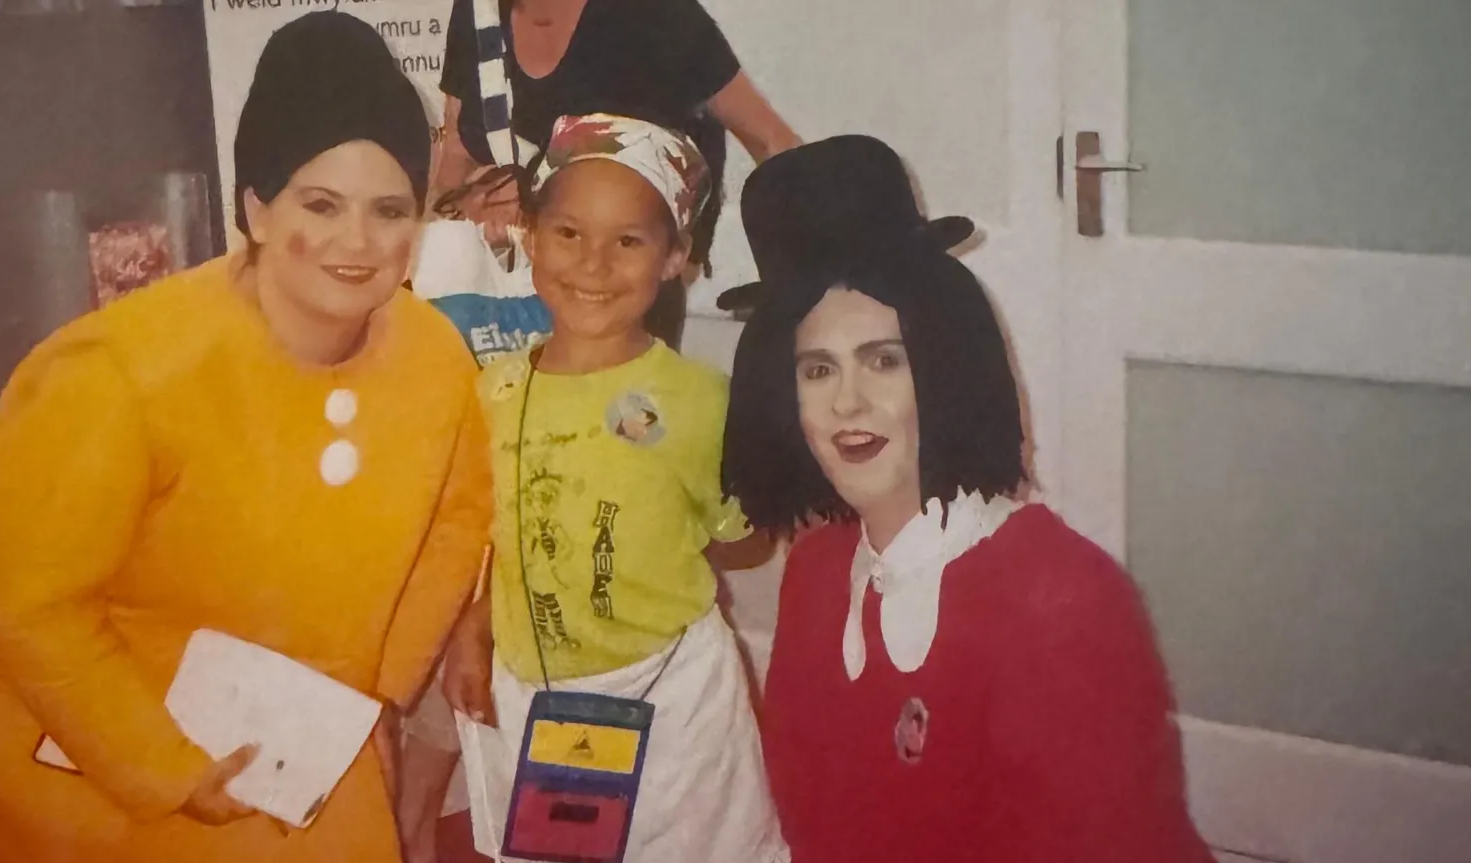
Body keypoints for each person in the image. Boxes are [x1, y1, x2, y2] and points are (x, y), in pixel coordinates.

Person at [0, 13, 492, 863]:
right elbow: (28, 607)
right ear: (256, 210)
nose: (358, 241)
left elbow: (457, 519)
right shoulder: (120, 375)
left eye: (389, 210)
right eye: (321, 203)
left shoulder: (434, 356)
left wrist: (375, 696)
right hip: (56, 734)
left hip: (276, 728)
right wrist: (161, 767)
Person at [720, 136, 1216, 863]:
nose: (848, 402)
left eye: (885, 360)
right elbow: (809, 824)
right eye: (817, 369)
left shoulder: (1062, 601)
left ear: (947, 363)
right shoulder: (818, 571)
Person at [439, 113, 786, 863]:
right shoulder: (490, 391)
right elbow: (495, 531)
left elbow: (744, 535)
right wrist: (476, 622)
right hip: (532, 693)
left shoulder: (699, 400)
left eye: (628, 240)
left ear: (677, 258)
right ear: (529, 235)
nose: (593, 263)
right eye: (569, 233)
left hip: (673, 697)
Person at [432, 0, 799, 349]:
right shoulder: (477, 11)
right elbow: (456, 154)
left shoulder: (656, 14)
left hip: (622, 303)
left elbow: (771, 142)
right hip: (496, 301)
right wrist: (459, 209)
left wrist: (812, 289)